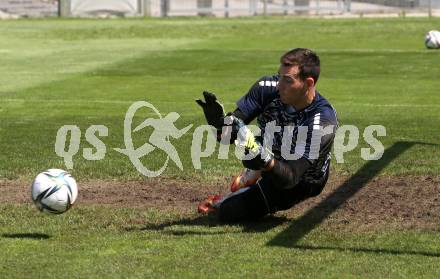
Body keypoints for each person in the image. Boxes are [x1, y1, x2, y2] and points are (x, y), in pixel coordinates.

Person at [196, 48, 338, 222]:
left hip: (303, 179)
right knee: (252, 152)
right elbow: (228, 135)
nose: (279, 85)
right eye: (279, 76)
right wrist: (219, 124)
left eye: (287, 80)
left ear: (308, 83)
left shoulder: (322, 121)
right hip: (273, 151)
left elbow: (290, 178)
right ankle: (254, 171)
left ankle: (248, 181)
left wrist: (265, 161)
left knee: (228, 212)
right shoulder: (267, 89)